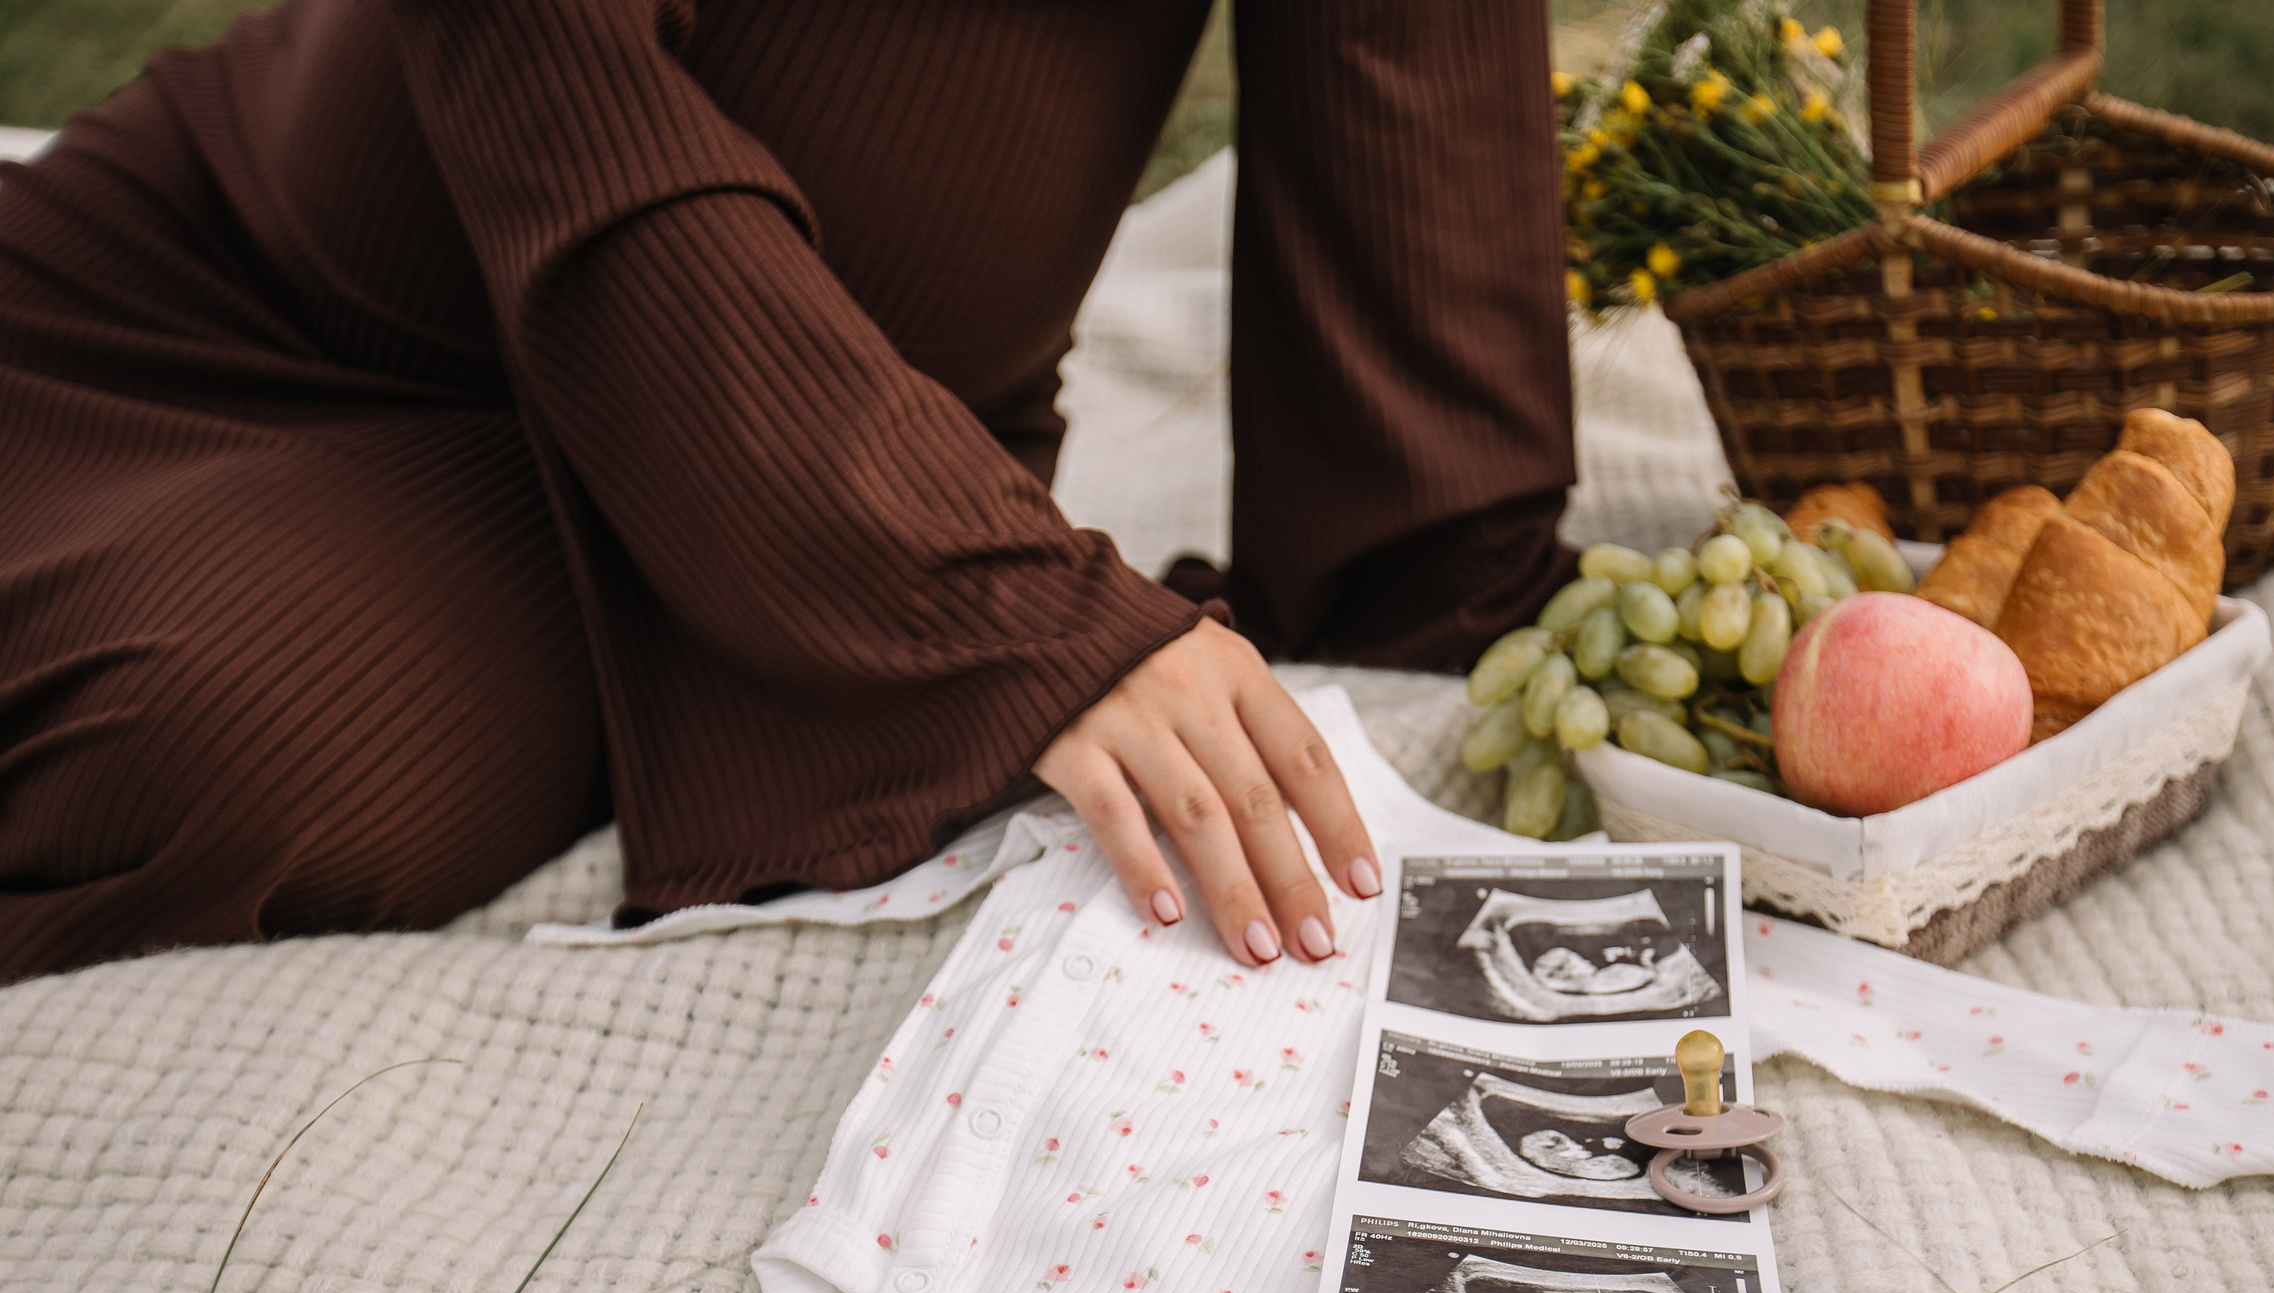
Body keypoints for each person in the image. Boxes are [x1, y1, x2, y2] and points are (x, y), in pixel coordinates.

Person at [0, 0, 1580, 985]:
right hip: (239, 294)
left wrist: (1468, 605)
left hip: (756, 458)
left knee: (226, 759)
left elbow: (1409, 112)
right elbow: (540, 63)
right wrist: (980, 592)